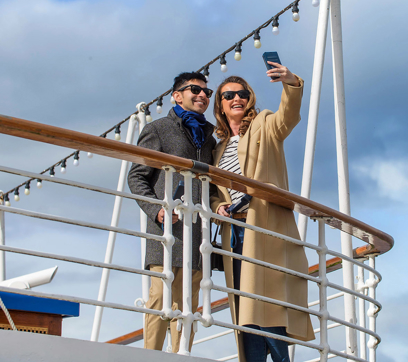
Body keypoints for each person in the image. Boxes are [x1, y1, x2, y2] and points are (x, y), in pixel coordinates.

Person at [210, 62, 315, 362]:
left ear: (250, 97)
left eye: (242, 93)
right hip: (235, 232)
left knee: (269, 303)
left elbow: (288, 117)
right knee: (246, 307)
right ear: (220, 105)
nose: (236, 99)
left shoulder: (264, 124)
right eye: (228, 95)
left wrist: (290, 82)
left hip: (264, 225)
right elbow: (217, 191)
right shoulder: (217, 149)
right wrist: (219, 205)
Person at [128, 71, 216, 353]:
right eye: (195, 89)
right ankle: (149, 356)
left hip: (197, 236)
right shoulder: (158, 129)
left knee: (189, 303)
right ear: (177, 95)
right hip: (166, 231)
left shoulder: (208, 137)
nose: (202, 95)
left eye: (207, 92)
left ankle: (182, 356)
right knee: (160, 298)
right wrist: (157, 211)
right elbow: (137, 177)